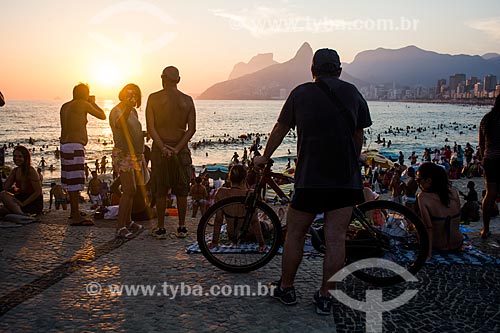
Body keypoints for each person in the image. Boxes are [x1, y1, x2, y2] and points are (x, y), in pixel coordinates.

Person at [254, 48, 371, 314]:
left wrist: (264, 157)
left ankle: (286, 289)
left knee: (295, 233)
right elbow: (357, 134)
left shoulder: (300, 93)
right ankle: (326, 296)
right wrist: (354, 158)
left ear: (312, 70)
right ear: (339, 70)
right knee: (336, 238)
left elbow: (280, 130)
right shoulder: (353, 92)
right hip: (345, 180)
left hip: (310, 179)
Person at [146, 66, 196, 239]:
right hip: (180, 149)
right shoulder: (187, 100)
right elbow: (191, 130)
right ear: (179, 80)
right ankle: (181, 227)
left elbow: (151, 128)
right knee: (182, 189)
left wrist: (162, 147)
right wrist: (177, 148)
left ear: (162, 78)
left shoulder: (153, 98)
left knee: (161, 189)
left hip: (160, 149)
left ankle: (160, 228)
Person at [60, 83, 106, 226]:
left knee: (70, 180)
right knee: (75, 182)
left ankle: (74, 211)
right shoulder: (82, 104)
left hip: (64, 145)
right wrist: (93, 103)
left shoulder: (65, 106)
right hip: (75, 145)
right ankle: (75, 216)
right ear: (84, 94)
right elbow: (102, 115)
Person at [109, 83, 147, 238]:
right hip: (123, 154)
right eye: (129, 93)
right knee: (129, 189)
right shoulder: (117, 110)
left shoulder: (133, 112)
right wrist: (126, 106)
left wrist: (145, 133)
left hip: (134, 155)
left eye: (136, 94)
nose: (133, 96)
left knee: (132, 190)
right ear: (122, 94)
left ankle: (128, 221)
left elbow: (133, 132)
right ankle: (119, 226)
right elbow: (120, 124)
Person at [209, 165, 266, 250]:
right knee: (265, 224)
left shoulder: (221, 192)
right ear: (244, 179)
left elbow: (218, 220)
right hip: (250, 234)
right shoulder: (251, 194)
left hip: (232, 236)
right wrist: (262, 244)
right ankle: (271, 222)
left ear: (230, 178)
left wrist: (215, 242)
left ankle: (264, 217)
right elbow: (254, 222)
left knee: (261, 219)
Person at [416, 162, 462, 260]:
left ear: (428, 181)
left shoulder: (423, 197)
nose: (418, 183)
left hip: (439, 245)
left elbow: (429, 228)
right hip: (457, 243)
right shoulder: (453, 192)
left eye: (419, 180)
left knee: (415, 226)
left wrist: (427, 254)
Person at [479, 95, 500, 239]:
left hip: (489, 160)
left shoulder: (486, 119)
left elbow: (481, 143)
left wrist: (482, 158)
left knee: (489, 194)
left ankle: (485, 229)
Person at [0, 146, 43, 216]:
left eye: (20, 156)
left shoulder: (31, 171)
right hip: (21, 198)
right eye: (15, 156)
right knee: (3, 199)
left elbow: (38, 192)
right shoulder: (15, 171)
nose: (17, 158)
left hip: (32, 201)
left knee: (3, 197)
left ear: (25, 158)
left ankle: (22, 214)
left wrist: (23, 204)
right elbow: (5, 187)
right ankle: (19, 211)